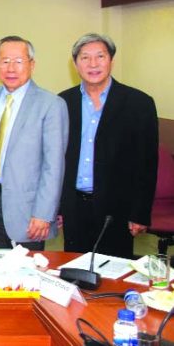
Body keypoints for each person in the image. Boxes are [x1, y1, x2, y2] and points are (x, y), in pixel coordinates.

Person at [59, 33, 158, 258]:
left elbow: (147, 164)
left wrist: (140, 213)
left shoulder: (139, 103)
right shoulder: (63, 102)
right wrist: (57, 207)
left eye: (100, 56)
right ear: (75, 64)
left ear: (111, 60)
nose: (93, 64)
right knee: (75, 270)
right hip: (74, 206)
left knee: (114, 276)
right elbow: (57, 158)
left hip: (118, 209)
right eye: (85, 58)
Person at [0, 36, 68, 250]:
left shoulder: (51, 104)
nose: (11, 68)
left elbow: (53, 166)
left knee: (24, 279)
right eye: (4, 60)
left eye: (18, 61)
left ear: (32, 64)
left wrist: (44, 214)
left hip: (27, 211)